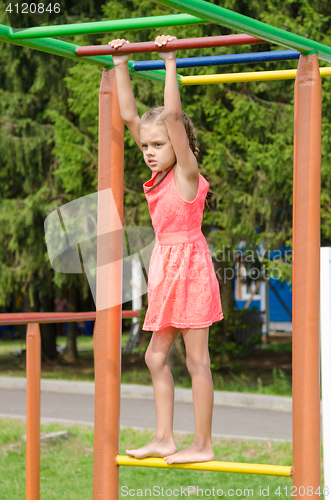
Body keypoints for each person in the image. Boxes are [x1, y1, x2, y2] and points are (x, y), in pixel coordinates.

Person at [109, 34, 223, 464]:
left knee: (197, 361)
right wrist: (121, 61)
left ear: (179, 145)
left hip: (191, 269)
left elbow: (171, 115)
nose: (151, 152)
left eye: (159, 145)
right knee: (154, 356)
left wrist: (170, 60)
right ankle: (164, 437)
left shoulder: (187, 176)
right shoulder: (157, 176)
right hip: (165, 269)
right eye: (146, 146)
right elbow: (128, 114)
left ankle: (203, 443)